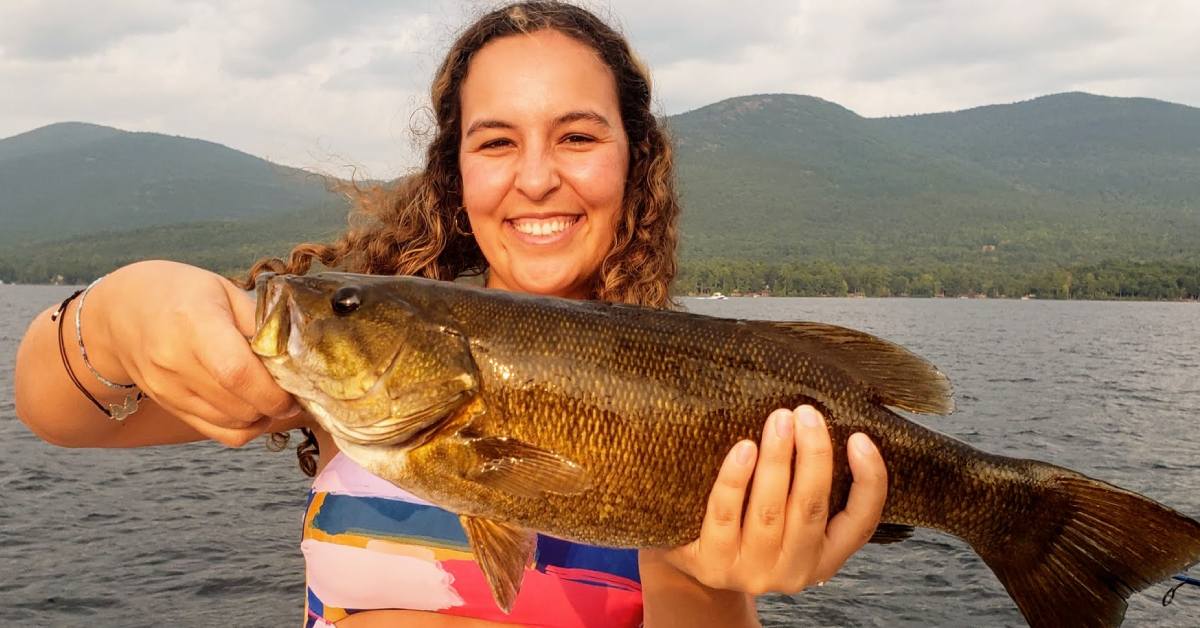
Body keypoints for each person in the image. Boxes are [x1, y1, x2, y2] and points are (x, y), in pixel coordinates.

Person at [14, 2, 889, 626]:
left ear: (637, 160)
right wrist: (122, 311)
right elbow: (55, 413)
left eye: (578, 137)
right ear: (455, 172)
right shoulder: (347, 371)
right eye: (496, 140)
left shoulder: (728, 392)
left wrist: (705, 587)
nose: (537, 177)